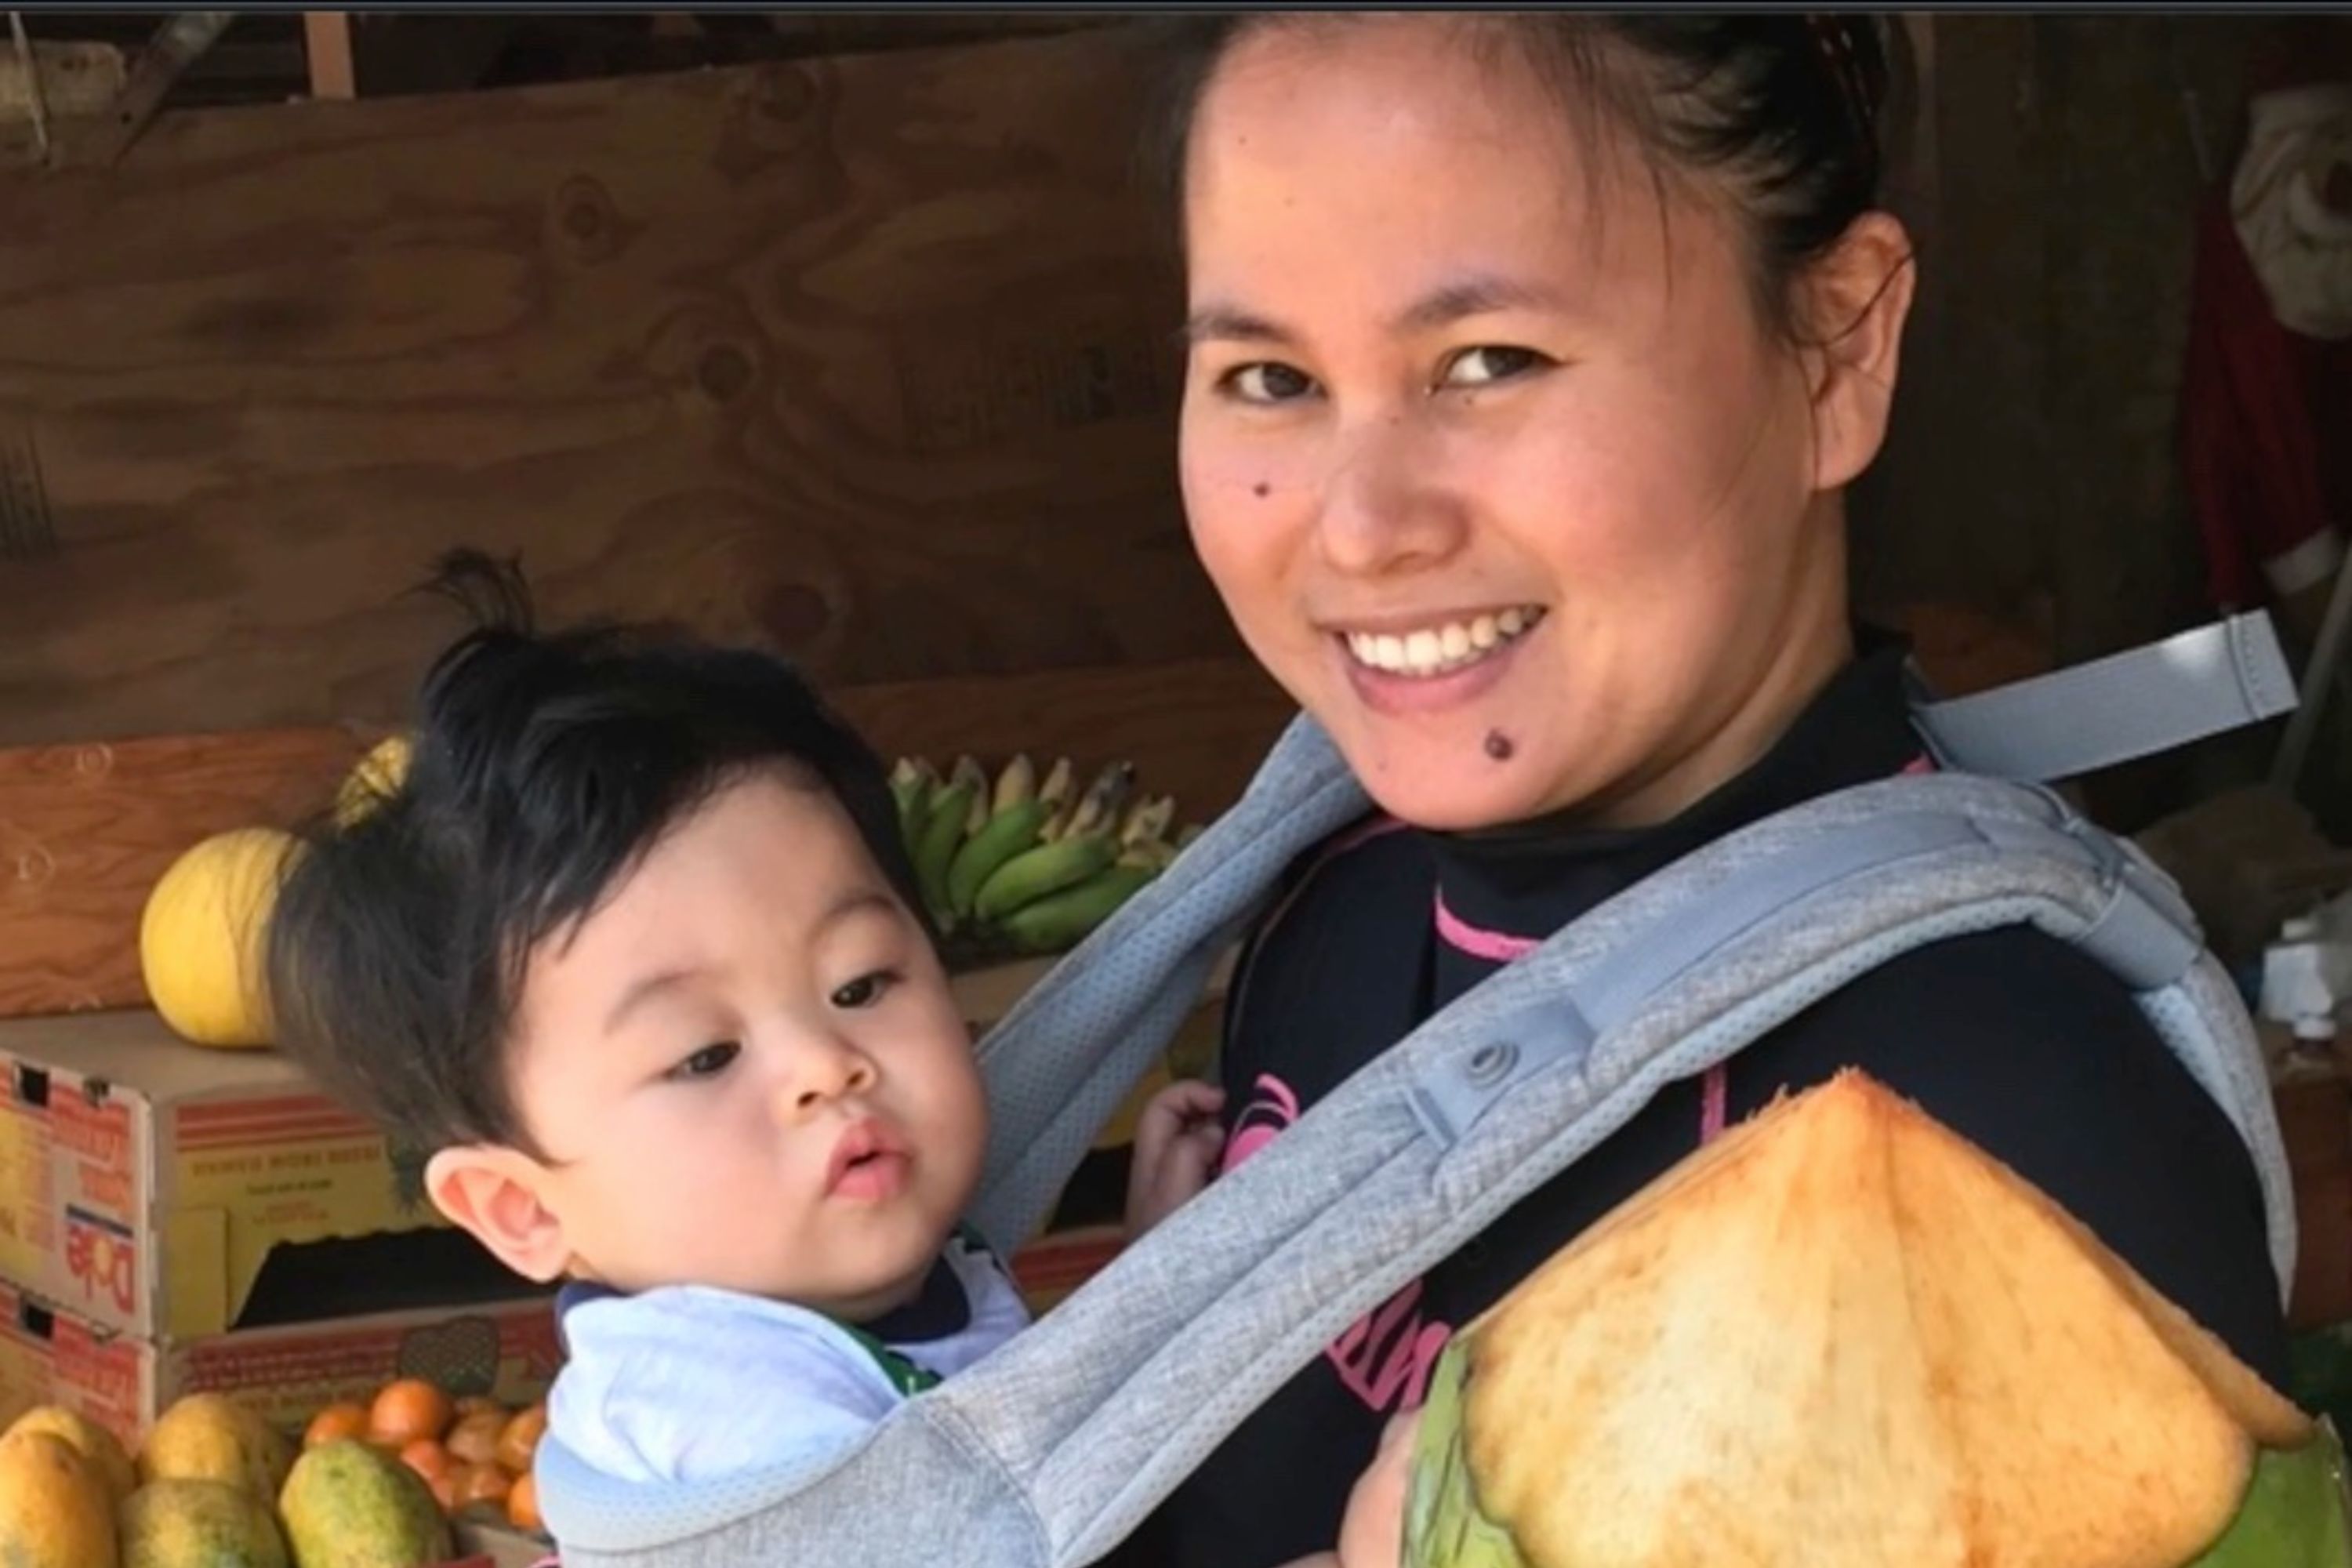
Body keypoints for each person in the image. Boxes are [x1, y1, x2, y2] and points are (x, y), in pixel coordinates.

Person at [1115, 13, 2292, 1567]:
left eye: (1488, 362)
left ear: (1840, 346)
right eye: (1269, 377)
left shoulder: (2000, 1134)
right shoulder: (1339, 910)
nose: (1361, 526)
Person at [259, 554, 1381, 1552]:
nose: (825, 1064)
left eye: (861, 985)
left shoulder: (812, 1298)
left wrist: (1145, 1277)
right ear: (522, 1210)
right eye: (703, 1056)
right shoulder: (729, 1423)